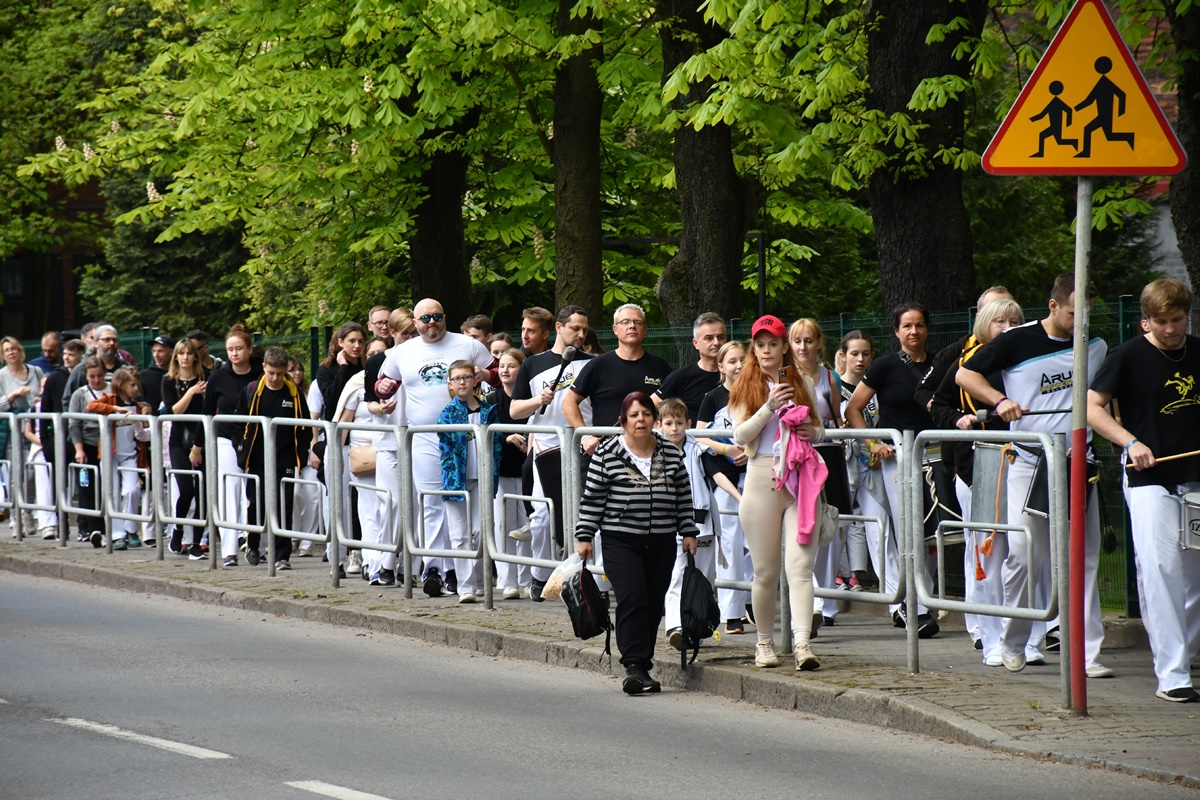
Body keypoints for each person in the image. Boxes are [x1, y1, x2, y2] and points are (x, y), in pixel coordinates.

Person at [956, 273, 1110, 676]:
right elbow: (965, 375)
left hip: (1079, 462)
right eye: (1074, 313)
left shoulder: (1096, 346)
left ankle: (1087, 653)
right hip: (1028, 460)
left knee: (1083, 557)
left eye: (1087, 314)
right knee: (1025, 556)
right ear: (1053, 305)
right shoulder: (1016, 340)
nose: (1081, 322)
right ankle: (1013, 640)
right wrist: (999, 400)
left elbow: (1103, 400)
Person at [1088, 279, 1200, 702]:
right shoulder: (1127, 356)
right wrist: (1130, 442)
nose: (1171, 329)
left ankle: (1183, 652)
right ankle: (1172, 675)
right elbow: (1091, 407)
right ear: (1145, 321)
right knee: (1160, 569)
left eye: (1177, 320)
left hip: (1195, 475)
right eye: (1161, 322)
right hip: (1148, 478)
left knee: (1195, 576)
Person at [575, 392, 698, 694]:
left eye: (645, 414)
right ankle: (633, 665)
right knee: (633, 598)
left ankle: (643, 664)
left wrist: (688, 531)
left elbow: (683, 496)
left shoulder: (670, 453)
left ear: (654, 420)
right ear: (623, 421)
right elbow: (592, 498)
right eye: (633, 415)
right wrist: (585, 535)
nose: (640, 420)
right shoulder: (607, 453)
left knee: (654, 602)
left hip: (662, 540)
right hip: (620, 540)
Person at [375, 298, 497, 597]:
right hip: (426, 436)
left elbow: (498, 372)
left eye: (437, 316)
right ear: (415, 322)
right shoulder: (403, 351)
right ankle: (433, 568)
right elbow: (383, 383)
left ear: (445, 317)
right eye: (426, 318)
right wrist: (383, 390)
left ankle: (459, 571)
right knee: (431, 502)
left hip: (466, 435)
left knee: (465, 505)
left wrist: (486, 376)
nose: (432, 323)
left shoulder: (468, 344)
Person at [929, 297, 1025, 665]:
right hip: (979, 468)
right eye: (999, 321)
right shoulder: (967, 361)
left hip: (1025, 464)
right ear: (984, 324)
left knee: (1024, 552)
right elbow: (937, 402)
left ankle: (1027, 637)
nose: (1007, 328)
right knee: (986, 553)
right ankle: (989, 636)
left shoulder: (1028, 358)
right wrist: (958, 420)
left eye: (1014, 321)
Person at [729, 315, 826, 671]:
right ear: (753, 349)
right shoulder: (744, 384)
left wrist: (811, 432)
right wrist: (768, 407)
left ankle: (802, 644)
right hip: (761, 479)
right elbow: (739, 436)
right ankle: (764, 643)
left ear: (785, 347)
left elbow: (821, 430)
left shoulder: (803, 380)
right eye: (761, 345)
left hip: (800, 480)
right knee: (766, 573)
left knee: (800, 568)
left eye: (773, 344)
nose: (767, 350)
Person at [844, 303, 941, 638]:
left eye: (919, 325)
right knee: (908, 530)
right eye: (907, 326)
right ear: (897, 331)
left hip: (935, 456)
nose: (914, 331)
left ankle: (920, 599)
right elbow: (853, 409)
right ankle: (917, 608)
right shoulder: (884, 366)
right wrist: (873, 444)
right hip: (898, 460)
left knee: (932, 533)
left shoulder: (939, 364)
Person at [509, 304, 592, 601]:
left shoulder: (594, 363)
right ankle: (541, 575)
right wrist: (536, 401)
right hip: (546, 447)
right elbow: (514, 410)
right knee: (543, 516)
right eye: (575, 328)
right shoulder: (533, 364)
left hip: (583, 446)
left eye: (584, 330)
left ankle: (587, 578)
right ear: (558, 328)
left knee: (586, 514)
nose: (581, 334)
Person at [789, 318, 845, 631]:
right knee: (803, 528)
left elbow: (835, 419)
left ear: (819, 343)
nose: (803, 347)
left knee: (828, 526)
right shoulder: (785, 375)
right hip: (796, 459)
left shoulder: (829, 377)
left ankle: (826, 603)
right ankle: (810, 605)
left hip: (826, 455)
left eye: (808, 340)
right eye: (797, 341)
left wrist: (822, 432)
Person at [236, 346, 312, 571]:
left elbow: (305, 425)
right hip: (257, 457)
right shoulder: (252, 390)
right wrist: (241, 448)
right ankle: (253, 544)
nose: (276, 378)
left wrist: (301, 453)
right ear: (263, 368)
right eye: (271, 373)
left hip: (285, 456)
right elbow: (238, 422)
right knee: (256, 503)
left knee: (284, 505)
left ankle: (282, 555)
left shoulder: (294, 394)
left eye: (280, 373)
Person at [563, 303, 673, 454]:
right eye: (625, 322)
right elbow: (569, 402)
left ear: (645, 329)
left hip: (651, 451)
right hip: (608, 452)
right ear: (615, 329)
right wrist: (585, 436)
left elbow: (673, 406)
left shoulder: (659, 366)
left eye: (637, 322)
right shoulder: (599, 364)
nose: (632, 326)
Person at [696, 340, 752, 634]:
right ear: (721, 366)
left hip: (755, 473)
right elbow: (699, 435)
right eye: (732, 361)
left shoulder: (757, 393)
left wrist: (751, 451)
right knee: (729, 542)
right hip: (725, 477)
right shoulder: (713, 397)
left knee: (757, 543)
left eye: (743, 359)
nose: (738, 365)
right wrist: (726, 449)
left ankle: (752, 598)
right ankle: (732, 613)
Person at [198, 323, 264, 568]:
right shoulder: (218, 377)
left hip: (255, 439)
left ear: (249, 349)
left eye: (239, 349)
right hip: (226, 438)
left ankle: (257, 545)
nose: (234, 353)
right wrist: (197, 446)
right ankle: (229, 550)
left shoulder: (261, 374)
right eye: (230, 349)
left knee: (257, 491)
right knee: (231, 488)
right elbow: (206, 414)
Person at [437, 360, 501, 603]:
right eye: (457, 378)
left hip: (483, 477)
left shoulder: (488, 410)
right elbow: (447, 444)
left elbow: (496, 444)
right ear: (450, 384)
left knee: (480, 531)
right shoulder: (447, 413)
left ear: (475, 381)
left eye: (466, 377)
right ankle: (466, 586)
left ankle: (482, 580)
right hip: (457, 480)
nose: (462, 382)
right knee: (459, 535)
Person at [659, 397, 717, 651]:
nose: (674, 429)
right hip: (670, 524)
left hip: (701, 522)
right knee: (677, 575)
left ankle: (698, 627)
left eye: (679, 423)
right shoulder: (654, 452)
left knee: (703, 577)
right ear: (660, 425)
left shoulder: (699, 451)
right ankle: (676, 628)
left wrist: (740, 498)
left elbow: (717, 476)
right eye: (669, 423)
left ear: (688, 424)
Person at [361, 308, 415, 581]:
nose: (410, 339)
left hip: (418, 438)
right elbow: (370, 401)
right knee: (392, 501)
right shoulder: (377, 361)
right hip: (388, 438)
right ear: (392, 333)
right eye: (405, 334)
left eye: (413, 334)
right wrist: (380, 409)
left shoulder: (421, 356)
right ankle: (385, 562)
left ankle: (410, 565)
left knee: (416, 503)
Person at [333, 336, 390, 583]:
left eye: (382, 353)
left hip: (390, 452)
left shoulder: (397, 382)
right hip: (363, 455)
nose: (378, 357)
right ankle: (372, 562)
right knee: (368, 509)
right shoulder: (357, 383)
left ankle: (390, 562)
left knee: (388, 508)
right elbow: (343, 422)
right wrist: (338, 454)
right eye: (373, 353)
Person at [86, 366, 151, 550]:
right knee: (112, 493)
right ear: (121, 385)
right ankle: (117, 535)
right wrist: (114, 409)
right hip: (110, 455)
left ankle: (131, 529)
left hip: (130, 455)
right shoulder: (110, 399)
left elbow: (144, 428)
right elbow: (91, 406)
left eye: (137, 385)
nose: (136, 388)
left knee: (132, 490)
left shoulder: (137, 406)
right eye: (132, 385)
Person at [32, 339, 84, 540]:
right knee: (59, 482)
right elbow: (45, 411)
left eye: (72, 354)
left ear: (81, 356)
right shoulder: (55, 378)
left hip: (79, 437)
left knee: (84, 480)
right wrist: (46, 440)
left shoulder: (84, 375)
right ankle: (61, 522)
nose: (67, 358)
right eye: (65, 354)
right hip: (58, 437)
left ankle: (84, 525)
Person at [837, 331, 877, 594]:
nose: (860, 359)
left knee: (864, 517)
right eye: (854, 354)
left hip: (871, 460)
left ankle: (856, 573)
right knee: (841, 515)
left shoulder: (875, 388)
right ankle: (837, 572)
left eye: (865, 354)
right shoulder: (834, 387)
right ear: (843, 356)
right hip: (843, 459)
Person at [161, 339, 208, 558]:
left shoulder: (204, 379)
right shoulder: (169, 381)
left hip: (200, 439)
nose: (186, 357)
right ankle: (178, 530)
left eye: (189, 353)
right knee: (186, 490)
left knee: (202, 493)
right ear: (176, 357)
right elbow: (173, 411)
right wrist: (191, 392)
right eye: (182, 353)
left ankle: (197, 542)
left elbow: (207, 410)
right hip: (178, 440)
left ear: (195, 356)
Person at [492, 347, 531, 598]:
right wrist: (506, 436)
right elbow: (486, 431)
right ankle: (508, 580)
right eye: (501, 365)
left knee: (527, 526)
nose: (505, 370)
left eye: (511, 365)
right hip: (503, 470)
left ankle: (527, 579)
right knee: (503, 525)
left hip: (527, 471)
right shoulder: (492, 399)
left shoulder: (530, 398)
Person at [654, 312, 727, 421]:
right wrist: (660, 427)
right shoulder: (681, 377)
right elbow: (650, 405)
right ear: (695, 343)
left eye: (721, 337)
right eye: (708, 338)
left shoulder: (737, 376)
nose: (716, 342)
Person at [62, 325, 133, 406]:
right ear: (95, 343)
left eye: (115, 340)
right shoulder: (82, 369)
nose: (112, 343)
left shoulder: (125, 368)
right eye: (107, 340)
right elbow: (68, 400)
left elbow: (136, 394)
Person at [141, 334, 174, 415]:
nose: (156, 355)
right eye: (154, 351)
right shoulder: (143, 376)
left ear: (171, 352)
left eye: (160, 351)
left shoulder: (178, 374)